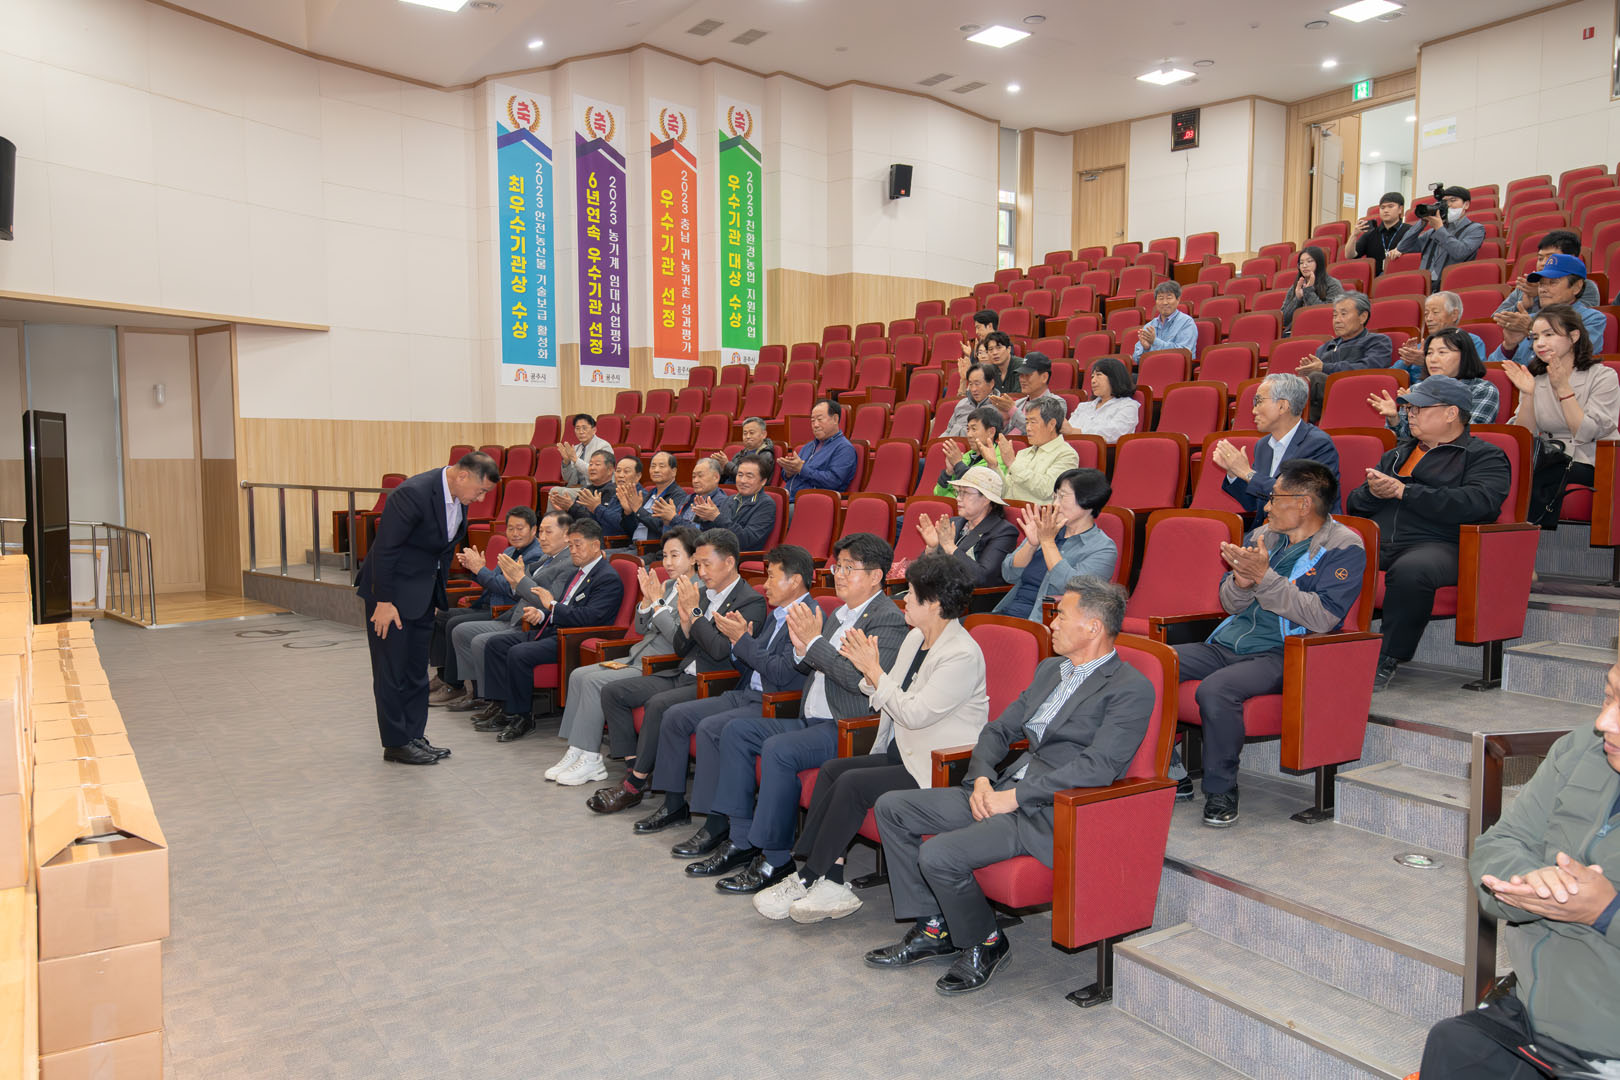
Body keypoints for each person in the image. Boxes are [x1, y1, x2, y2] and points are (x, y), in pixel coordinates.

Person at [865, 576, 1154, 995]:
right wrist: (982, 778)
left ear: (1093, 627)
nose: (1051, 624)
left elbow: (1098, 767)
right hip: (1003, 788)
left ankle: (986, 942)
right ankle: (934, 927)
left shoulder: (1130, 689)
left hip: (1050, 810)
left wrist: (1014, 797)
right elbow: (999, 730)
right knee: (893, 807)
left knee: (939, 854)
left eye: (1062, 616)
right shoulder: (1050, 669)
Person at [752, 554, 991, 923]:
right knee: (833, 770)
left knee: (852, 784)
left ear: (935, 604)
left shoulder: (961, 654)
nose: (904, 600)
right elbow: (884, 689)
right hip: (903, 750)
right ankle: (830, 880)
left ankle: (808, 876)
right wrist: (869, 673)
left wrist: (874, 671)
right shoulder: (916, 638)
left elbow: (914, 712)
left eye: (912, 594)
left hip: (937, 765)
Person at [1417, 661, 1620, 1079]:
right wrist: (1526, 883)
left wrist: (1606, 913)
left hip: (1607, 1041)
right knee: (1455, 1045)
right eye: (1609, 696)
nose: (1605, 722)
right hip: (1535, 1010)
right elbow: (1498, 844)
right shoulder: (1582, 748)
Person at [685, 533, 909, 894]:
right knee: (736, 732)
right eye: (838, 567)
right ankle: (740, 839)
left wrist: (814, 644)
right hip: (811, 718)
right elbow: (807, 664)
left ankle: (775, 859)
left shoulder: (888, 620)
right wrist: (802, 648)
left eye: (849, 568)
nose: (839, 575)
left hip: (846, 726)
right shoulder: (838, 614)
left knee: (779, 750)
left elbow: (860, 681)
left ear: (875, 576)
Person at [1173, 461, 1366, 827]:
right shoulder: (1265, 535)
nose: (1266, 506)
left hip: (1283, 652)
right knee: (1153, 664)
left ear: (1304, 504)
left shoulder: (1343, 546)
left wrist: (1264, 577)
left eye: (1275, 498)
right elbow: (1230, 604)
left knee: (1216, 689)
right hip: (1227, 642)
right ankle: (1171, 769)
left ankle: (1221, 790)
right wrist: (1241, 583)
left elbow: (1323, 617)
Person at [637, 545, 814, 844]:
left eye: (772, 577)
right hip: (746, 691)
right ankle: (673, 803)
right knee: (675, 716)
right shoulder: (778, 614)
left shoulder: (807, 617)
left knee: (711, 728)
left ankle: (716, 822)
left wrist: (741, 640)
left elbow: (781, 673)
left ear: (795, 580)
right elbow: (749, 662)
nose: (765, 584)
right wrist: (738, 644)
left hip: (773, 702)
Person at [1345, 375, 1511, 690]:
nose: (1411, 415)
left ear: (1451, 413)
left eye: (1420, 408)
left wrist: (1405, 492)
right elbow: (1355, 504)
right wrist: (1373, 493)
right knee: (1327, 554)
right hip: (1384, 541)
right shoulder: (1397, 454)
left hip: (1441, 544)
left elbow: (1480, 503)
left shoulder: (1483, 455)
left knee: (1412, 570)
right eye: (1409, 409)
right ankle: (1322, 646)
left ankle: (1388, 657)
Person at [577, 529, 767, 800]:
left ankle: (634, 784)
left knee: (658, 704)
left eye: (706, 564)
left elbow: (720, 651)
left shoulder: (750, 601)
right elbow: (681, 647)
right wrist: (686, 622)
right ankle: (635, 767)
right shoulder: (703, 594)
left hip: (714, 681)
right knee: (613, 692)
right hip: (684, 672)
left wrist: (695, 614)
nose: (701, 572)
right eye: (699, 565)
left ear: (728, 562)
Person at [355, 451, 499, 765]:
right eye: (481, 490)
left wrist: (435, 598)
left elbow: (442, 554)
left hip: (421, 596)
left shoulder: (459, 498)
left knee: (416, 671)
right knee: (392, 671)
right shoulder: (412, 494)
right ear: (463, 475)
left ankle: (414, 736)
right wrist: (384, 602)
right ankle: (396, 742)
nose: (481, 498)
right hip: (390, 596)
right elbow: (386, 551)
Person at [545, 527, 702, 783]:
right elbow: (641, 628)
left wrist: (658, 604)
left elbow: (679, 639)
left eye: (675, 556)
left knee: (593, 682)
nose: (668, 563)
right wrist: (646, 603)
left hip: (658, 665)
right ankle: (577, 749)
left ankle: (591, 758)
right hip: (636, 655)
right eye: (665, 556)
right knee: (578, 675)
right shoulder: (668, 585)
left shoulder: (698, 591)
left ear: (693, 558)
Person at [474, 518, 625, 738]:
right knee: (496, 644)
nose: (573, 551)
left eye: (578, 545)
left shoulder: (607, 578)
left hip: (573, 638)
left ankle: (521, 716)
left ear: (595, 545)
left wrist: (551, 607)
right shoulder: (577, 572)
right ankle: (502, 707)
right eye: (570, 545)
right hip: (555, 629)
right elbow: (563, 605)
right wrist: (542, 614)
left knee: (519, 653)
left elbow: (590, 618)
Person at [439, 510, 575, 713]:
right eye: (542, 532)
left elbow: (546, 599)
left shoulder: (567, 563)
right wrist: (492, 574)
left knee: (478, 639)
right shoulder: (544, 558)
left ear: (566, 535)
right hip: (512, 615)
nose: (543, 537)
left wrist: (516, 579)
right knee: (460, 630)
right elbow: (510, 587)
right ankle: (479, 694)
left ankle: (492, 700)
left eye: (548, 532)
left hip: (531, 621)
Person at [1503, 304, 1620, 527]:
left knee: (1540, 474)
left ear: (1573, 336)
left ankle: (1528, 533)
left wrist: (1564, 389)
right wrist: (1528, 395)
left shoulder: (1603, 376)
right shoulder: (1536, 378)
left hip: (1589, 459)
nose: (1540, 343)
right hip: (1548, 455)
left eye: (1549, 335)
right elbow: (1525, 436)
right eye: (1535, 337)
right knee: (1506, 468)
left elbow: (1586, 432)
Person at [426, 506, 543, 703]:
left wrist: (480, 569)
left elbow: (506, 588)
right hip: (489, 602)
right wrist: (474, 569)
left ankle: (456, 686)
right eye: (510, 528)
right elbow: (492, 581)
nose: (514, 533)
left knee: (455, 624)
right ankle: (444, 675)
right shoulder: (509, 550)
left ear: (533, 530)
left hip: (504, 609)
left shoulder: (534, 555)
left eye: (520, 528)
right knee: (441, 614)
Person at [1210, 372, 1341, 515]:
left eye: (1259, 401)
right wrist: (1234, 472)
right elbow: (1253, 502)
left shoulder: (1318, 444)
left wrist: (1247, 473)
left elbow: (1300, 499)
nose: (1254, 410)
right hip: (1269, 526)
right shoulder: (1263, 445)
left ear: (1282, 406)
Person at [995, 467, 1116, 620]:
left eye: (1062, 496)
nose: (1054, 504)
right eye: (1055, 496)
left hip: (1046, 623)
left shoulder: (1103, 549)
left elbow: (1072, 589)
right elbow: (1009, 575)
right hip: (1009, 612)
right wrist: (1032, 544)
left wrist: (1047, 542)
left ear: (1088, 500)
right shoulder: (1047, 528)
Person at [1371, 328, 1500, 435]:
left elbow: (1467, 434)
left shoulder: (1482, 390)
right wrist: (1394, 418)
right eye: (1429, 353)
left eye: (1442, 352)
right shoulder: (1417, 389)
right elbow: (1404, 439)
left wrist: (1425, 412)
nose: (1432, 359)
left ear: (1465, 355)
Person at [1489, 253, 1610, 366]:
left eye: (1552, 283)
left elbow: (1577, 358)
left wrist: (1532, 329)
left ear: (1576, 287)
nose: (1543, 289)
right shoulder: (1527, 319)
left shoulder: (1593, 319)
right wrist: (1509, 346)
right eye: (1541, 284)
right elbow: (1491, 369)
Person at [1294, 292, 1394, 421]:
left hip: (1358, 394)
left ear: (1363, 317)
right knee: (1290, 383)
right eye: (1335, 315)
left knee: (1315, 378)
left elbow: (1369, 368)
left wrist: (1323, 368)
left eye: (1343, 314)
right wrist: (1308, 372)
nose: (1337, 320)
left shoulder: (1378, 341)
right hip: (1324, 401)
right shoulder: (1324, 348)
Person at [917, 465, 1021, 587]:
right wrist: (932, 549)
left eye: (965, 493)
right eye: (958, 492)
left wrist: (950, 547)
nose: (958, 498)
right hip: (935, 591)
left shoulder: (1003, 532)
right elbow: (921, 573)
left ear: (986, 499)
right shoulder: (953, 523)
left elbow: (983, 578)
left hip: (967, 596)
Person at [1392, 184, 1485, 286]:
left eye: (1453, 200)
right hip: (1425, 285)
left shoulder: (1476, 229)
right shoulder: (1433, 231)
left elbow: (1460, 252)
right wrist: (1422, 222)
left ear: (1466, 205)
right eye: (1444, 202)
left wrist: (1440, 229)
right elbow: (1403, 247)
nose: (1448, 205)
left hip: (1453, 285)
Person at [1496, 229, 1602, 317]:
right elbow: (1495, 319)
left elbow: (1580, 318)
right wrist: (1522, 305)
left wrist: (1538, 295)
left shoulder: (1585, 286)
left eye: (1551, 258)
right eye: (1540, 258)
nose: (1543, 263)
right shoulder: (1526, 287)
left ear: (1571, 258)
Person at [993, 396, 1080, 503]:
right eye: (1027, 422)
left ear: (1052, 424)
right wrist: (994, 466)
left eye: (1033, 422)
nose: (1028, 428)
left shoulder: (1067, 455)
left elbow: (1047, 489)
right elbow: (1006, 492)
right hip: (1010, 509)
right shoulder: (1023, 453)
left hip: (1035, 513)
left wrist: (1012, 463)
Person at [1392, 292, 1486, 383]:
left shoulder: (1472, 341)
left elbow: (1472, 377)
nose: (1429, 318)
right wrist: (1406, 360)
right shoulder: (1421, 346)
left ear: (1454, 314)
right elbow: (1392, 376)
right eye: (1426, 314)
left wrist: (1425, 362)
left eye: (1435, 312)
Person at [780, 398, 858, 497]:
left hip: (812, 500)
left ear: (835, 419)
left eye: (820, 419)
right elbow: (788, 477)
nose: (815, 425)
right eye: (812, 420)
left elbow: (833, 481)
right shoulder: (808, 447)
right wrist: (788, 471)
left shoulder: (844, 448)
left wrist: (801, 469)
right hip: (789, 497)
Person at [934, 405, 1007, 496]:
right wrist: (948, 473)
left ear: (991, 432)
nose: (969, 435)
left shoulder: (1000, 460)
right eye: (968, 429)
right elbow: (938, 494)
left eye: (974, 429)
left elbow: (980, 493)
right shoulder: (965, 457)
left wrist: (958, 464)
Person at [1065, 357, 1140, 444]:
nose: (1093, 381)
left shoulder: (1128, 406)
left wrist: (1076, 432)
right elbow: (1067, 431)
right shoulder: (1083, 407)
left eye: (1099, 375)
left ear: (1115, 377)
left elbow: (1114, 433)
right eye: (1092, 376)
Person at [653, 457, 734, 538]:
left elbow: (704, 535)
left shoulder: (722, 502)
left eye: (700, 476)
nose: (695, 480)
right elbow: (670, 533)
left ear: (716, 477)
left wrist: (673, 518)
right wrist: (667, 522)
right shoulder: (688, 498)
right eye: (693, 476)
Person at [616, 451, 684, 544]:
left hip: (652, 548)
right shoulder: (650, 494)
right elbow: (631, 531)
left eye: (661, 466)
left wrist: (638, 510)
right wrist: (628, 513)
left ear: (674, 471)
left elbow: (662, 527)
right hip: (635, 545)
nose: (656, 470)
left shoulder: (678, 496)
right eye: (653, 466)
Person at [548, 449, 621, 532]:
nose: (592, 468)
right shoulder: (585, 490)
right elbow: (577, 519)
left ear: (610, 470)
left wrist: (571, 507)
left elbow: (597, 524)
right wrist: (563, 511)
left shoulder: (613, 492)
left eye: (597, 464)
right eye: (590, 464)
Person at [719, 453, 777, 552]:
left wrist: (717, 517)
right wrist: (705, 519)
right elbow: (714, 531)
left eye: (749, 476)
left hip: (739, 555)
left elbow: (746, 540)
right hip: (718, 550)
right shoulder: (729, 499)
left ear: (763, 481)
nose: (743, 480)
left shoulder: (766, 504)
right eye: (740, 475)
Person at [1352, 191, 1417, 276]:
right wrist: (1353, 235)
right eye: (1382, 207)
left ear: (1400, 209)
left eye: (1390, 206)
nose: (1386, 210)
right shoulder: (1371, 233)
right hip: (1375, 280)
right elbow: (1350, 255)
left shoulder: (1410, 231)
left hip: (1401, 277)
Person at [1279, 245, 1342, 333]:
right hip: (1294, 332)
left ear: (1319, 263)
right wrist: (1298, 299)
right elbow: (1284, 320)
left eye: (1309, 261)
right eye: (1301, 263)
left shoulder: (1333, 284)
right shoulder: (1296, 286)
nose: (1304, 266)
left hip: (1321, 332)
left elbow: (1328, 316)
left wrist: (1308, 291)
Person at [997, 353, 1061, 437]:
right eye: (1021, 375)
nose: (1022, 380)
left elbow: (1040, 432)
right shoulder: (1018, 403)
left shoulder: (1056, 403)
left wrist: (1012, 410)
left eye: (1027, 375)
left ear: (1044, 377)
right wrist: (1003, 420)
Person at [1133, 281, 1199, 362]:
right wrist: (1146, 348)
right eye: (1160, 298)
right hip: (1153, 366)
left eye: (1169, 298)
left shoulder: (1187, 322)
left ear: (1178, 300)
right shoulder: (1149, 326)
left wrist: (1154, 342)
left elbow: (1183, 352)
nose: (1164, 302)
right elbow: (1136, 359)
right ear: (1156, 301)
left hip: (1177, 368)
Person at [711, 417, 776, 482]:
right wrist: (721, 469)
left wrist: (727, 464)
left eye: (751, 433)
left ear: (763, 434)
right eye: (745, 433)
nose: (748, 436)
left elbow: (749, 477)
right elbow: (729, 475)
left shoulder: (766, 455)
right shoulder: (740, 454)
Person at [942, 363, 999, 437]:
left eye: (977, 384)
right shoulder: (962, 403)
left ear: (991, 384)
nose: (973, 389)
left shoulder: (999, 407)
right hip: (952, 442)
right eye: (971, 384)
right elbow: (948, 431)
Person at [559, 413, 613, 488]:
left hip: (595, 488)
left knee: (560, 492)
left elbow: (599, 473)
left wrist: (575, 459)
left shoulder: (603, 446)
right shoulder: (576, 448)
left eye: (584, 428)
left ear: (594, 430)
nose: (581, 432)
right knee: (555, 491)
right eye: (577, 428)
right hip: (575, 488)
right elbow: (567, 478)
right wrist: (566, 462)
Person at [978, 331, 1022, 396]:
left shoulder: (1021, 366)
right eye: (991, 349)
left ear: (1009, 349)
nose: (994, 353)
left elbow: (1020, 396)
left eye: (999, 348)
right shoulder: (990, 370)